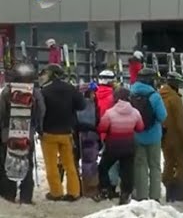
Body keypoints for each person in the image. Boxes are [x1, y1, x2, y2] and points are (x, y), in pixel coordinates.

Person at [38, 64, 86, 201]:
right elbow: (82, 106)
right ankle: (74, 192)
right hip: (67, 132)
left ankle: (56, 192)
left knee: (51, 164)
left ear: (51, 74)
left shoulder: (44, 91)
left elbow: (40, 111)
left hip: (48, 133)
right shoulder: (70, 88)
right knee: (69, 163)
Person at [0, 63, 45, 204]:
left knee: (7, 163)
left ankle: (8, 194)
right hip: (27, 134)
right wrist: (36, 127)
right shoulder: (35, 93)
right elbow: (41, 111)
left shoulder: (7, 91)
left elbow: (1, 112)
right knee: (27, 164)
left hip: (8, 134)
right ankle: (26, 197)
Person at [95, 88, 144, 205]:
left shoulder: (110, 113)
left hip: (113, 146)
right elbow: (140, 128)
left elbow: (102, 128)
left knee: (103, 167)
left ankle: (105, 189)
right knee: (127, 171)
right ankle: (125, 194)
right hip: (129, 146)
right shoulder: (135, 112)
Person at [130, 67, 167, 201]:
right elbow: (163, 116)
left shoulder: (131, 93)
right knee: (155, 167)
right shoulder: (155, 96)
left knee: (140, 166)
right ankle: (155, 196)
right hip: (154, 136)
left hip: (136, 135)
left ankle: (142, 195)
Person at [159, 72, 183, 202]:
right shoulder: (175, 99)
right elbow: (180, 123)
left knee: (168, 163)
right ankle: (178, 192)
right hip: (177, 137)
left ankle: (168, 190)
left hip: (164, 136)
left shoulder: (160, 95)